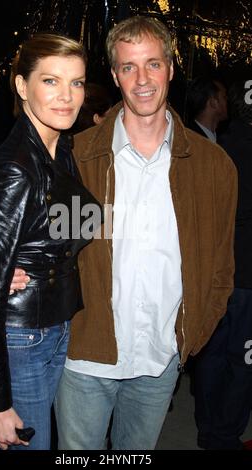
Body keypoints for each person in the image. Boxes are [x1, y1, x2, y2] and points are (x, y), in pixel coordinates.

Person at [12, 16, 237, 450]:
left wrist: (189, 339)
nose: (142, 79)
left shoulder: (213, 168)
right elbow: (17, 231)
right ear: (115, 76)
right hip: (85, 360)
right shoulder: (76, 157)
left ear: (171, 69)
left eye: (153, 64)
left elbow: (221, 269)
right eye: (129, 67)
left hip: (161, 362)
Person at [0, 32, 100, 450]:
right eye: (50, 81)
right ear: (22, 86)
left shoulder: (58, 148)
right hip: (19, 337)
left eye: (76, 82)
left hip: (52, 325)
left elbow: (56, 231)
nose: (66, 96)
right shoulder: (17, 168)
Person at [194, 79, 252, 450]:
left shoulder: (216, 148)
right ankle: (224, 436)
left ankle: (206, 427)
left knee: (212, 356)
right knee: (242, 362)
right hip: (248, 278)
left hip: (216, 274)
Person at [186, 76, 228, 142]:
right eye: (224, 97)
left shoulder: (224, 139)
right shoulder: (190, 140)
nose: (227, 101)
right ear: (213, 102)